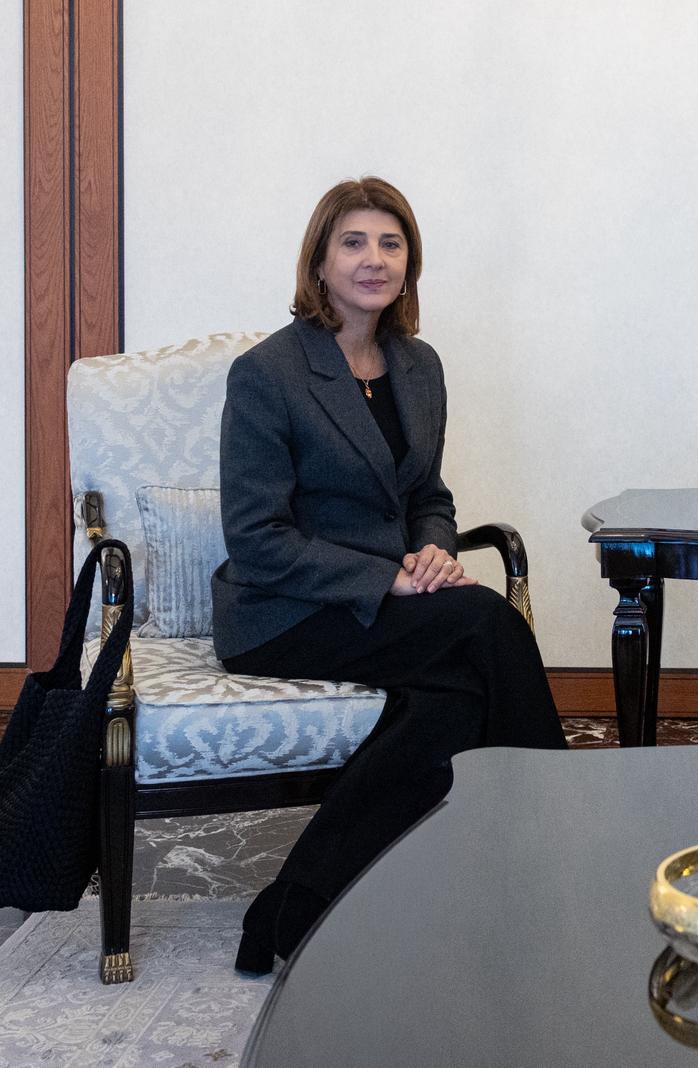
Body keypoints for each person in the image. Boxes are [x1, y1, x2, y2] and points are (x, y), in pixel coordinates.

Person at [212, 176, 568, 974]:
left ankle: (288, 910)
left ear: (410, 263)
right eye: (353, 242)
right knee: (487, 624)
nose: (374, 259)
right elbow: (257, 539)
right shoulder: (268, 373)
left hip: (388, 608)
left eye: (391, 243)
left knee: (451, 700)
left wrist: (434, 548)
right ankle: (556, 852)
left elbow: (427, 496)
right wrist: (386, 581)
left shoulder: (417, 365)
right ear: (319, 261)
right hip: (284, 610)